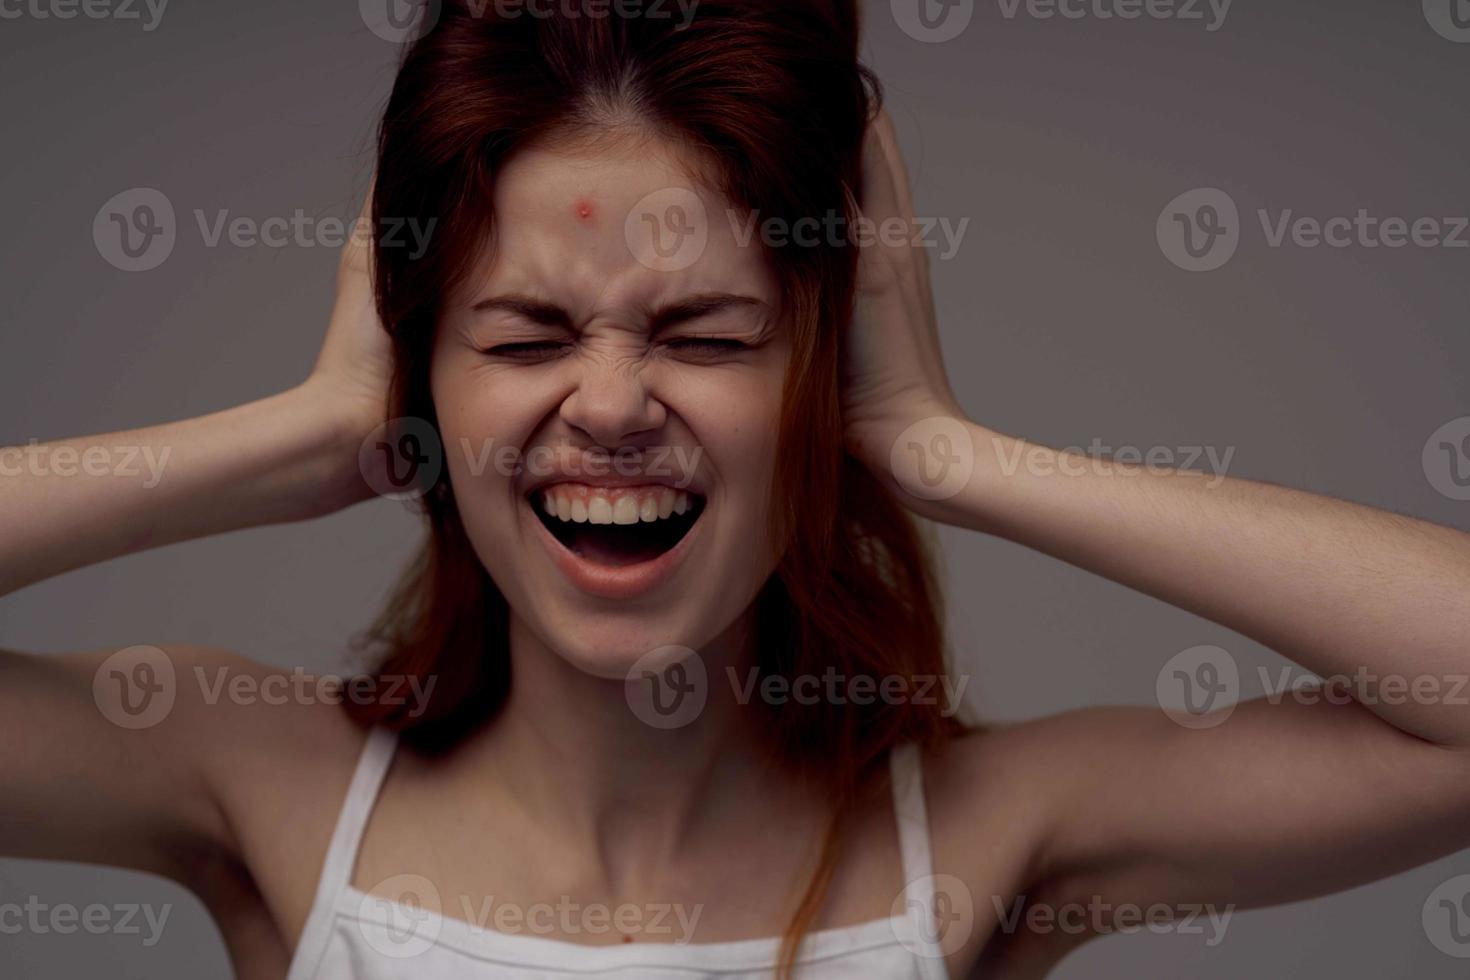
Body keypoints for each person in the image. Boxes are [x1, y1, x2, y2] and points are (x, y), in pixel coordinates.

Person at [4, 2, 1469, 978]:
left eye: (708, 337)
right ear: (423, 381)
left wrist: (931, 444)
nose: (614, 409)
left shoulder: (984, 834)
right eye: (524, 339)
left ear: (817, 378)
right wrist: (311, 431)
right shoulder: (252, 779)